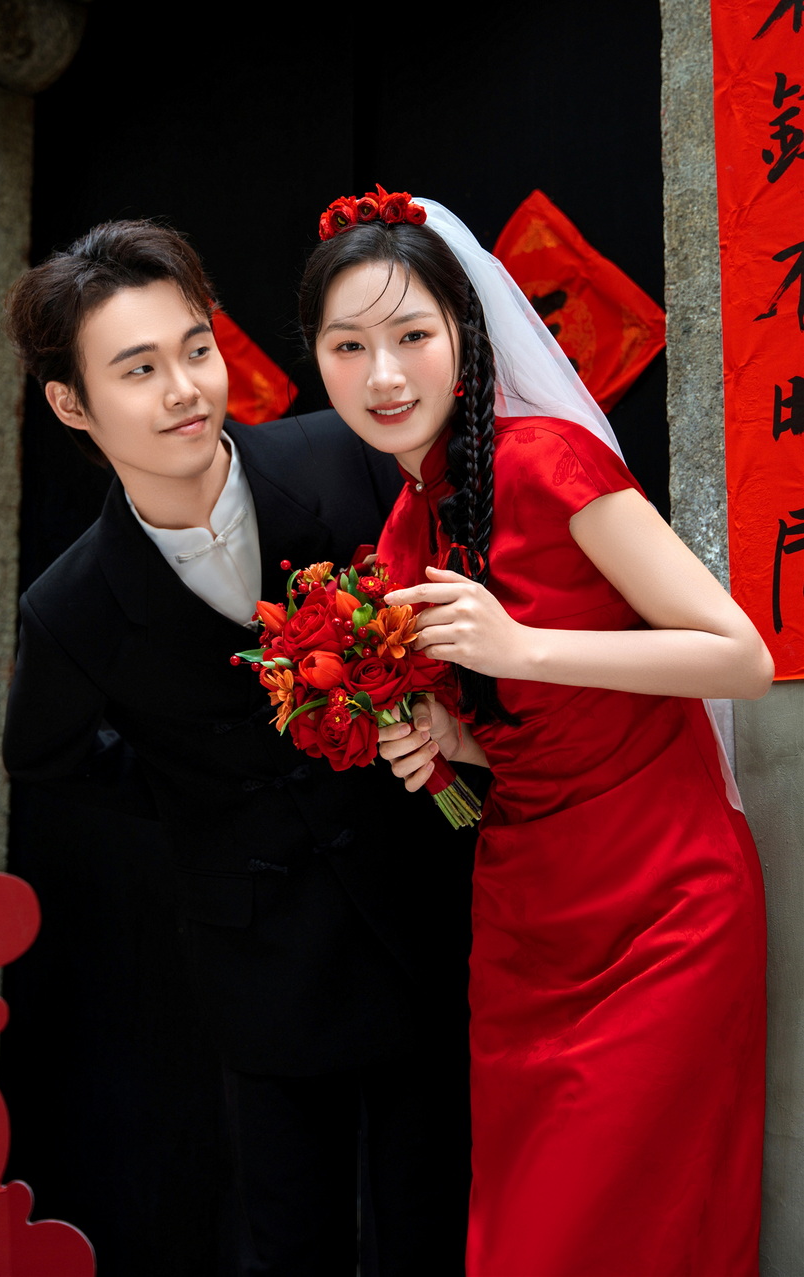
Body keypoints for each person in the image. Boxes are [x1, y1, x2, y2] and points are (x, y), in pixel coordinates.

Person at [298, 186, 771, 1277]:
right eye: (348, 345)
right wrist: (445, 742)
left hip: (664, 907)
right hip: (525, 926)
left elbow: (737, 656)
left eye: (412, 336)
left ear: (464, 336)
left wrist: (522, 648)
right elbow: (518, 733)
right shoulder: (401, 536)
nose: (383, 374)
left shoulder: (549, 461)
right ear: (316, 360)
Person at [1, 218, 475, 1276]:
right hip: (263, 952)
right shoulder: (71, 606)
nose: (185, 390)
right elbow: (42, 755)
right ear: (72, 405)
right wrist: (196, 789)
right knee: (291, 1236)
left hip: (423, 905)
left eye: (196, 349)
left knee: (441, 1217)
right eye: (139, 369)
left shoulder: (342, 459)